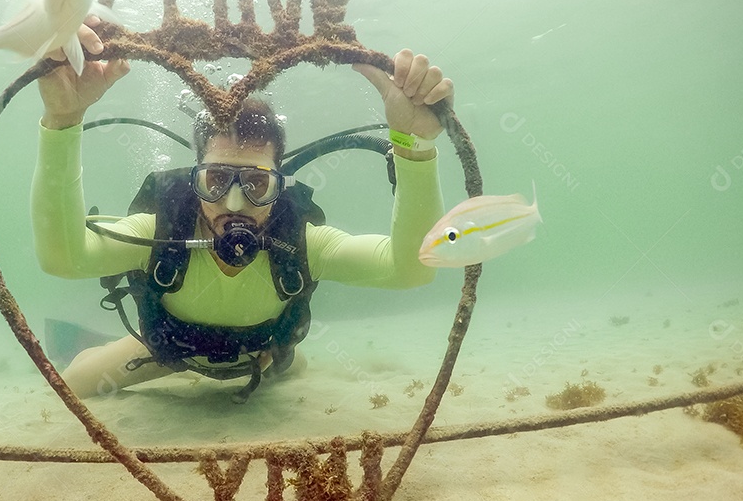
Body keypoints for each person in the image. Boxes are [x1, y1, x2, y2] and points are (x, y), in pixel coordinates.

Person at [31, 26, 452, 401]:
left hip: (265, 357)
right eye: (215, 181)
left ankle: (286, 363)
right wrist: (63, 119)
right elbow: (65, 258)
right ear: (194, 176)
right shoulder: (159, 235)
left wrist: (412, 145)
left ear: (278, 183)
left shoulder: (301, 242)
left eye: (256, 184)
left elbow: (410, 268)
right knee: (77, 383)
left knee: (293, 369)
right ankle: (98, 348)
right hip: (173, 354)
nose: (235, 205)